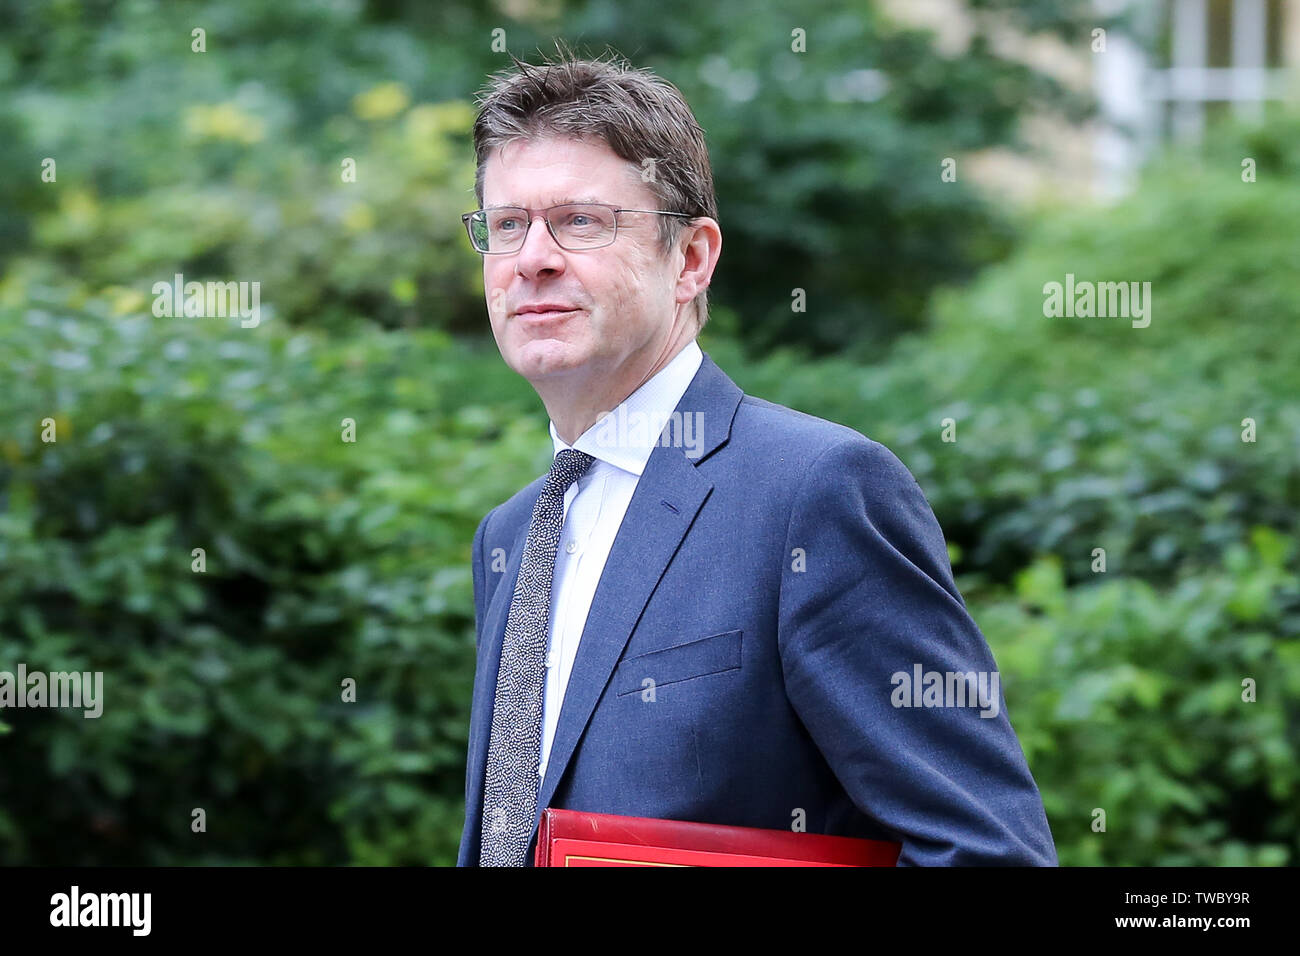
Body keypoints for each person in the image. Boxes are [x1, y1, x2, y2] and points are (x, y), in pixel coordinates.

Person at [457, 50, 1056, 867]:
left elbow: (988, 852)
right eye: (508, 225)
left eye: (582, 221)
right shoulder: (511, 534)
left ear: (693, 258)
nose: (533, 258)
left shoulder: (817, 493)